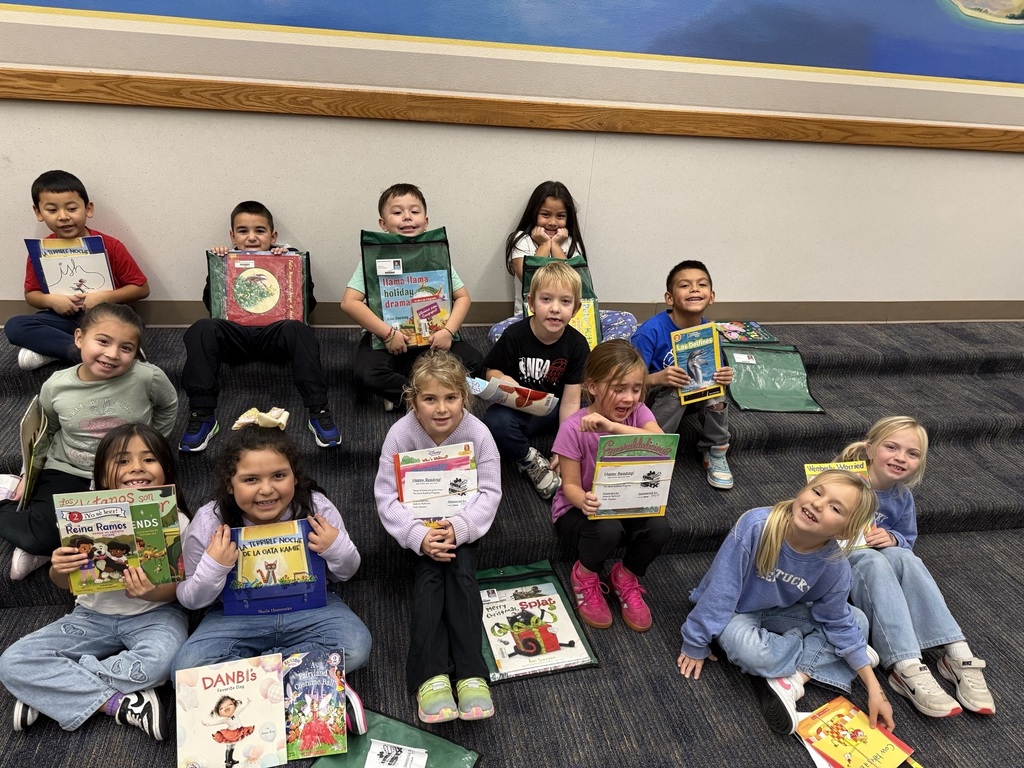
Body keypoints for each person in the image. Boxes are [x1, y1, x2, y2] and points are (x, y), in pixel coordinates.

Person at [0, 423, 190, 740]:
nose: (137, 469)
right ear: (102, 475)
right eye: (122, 461)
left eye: (149, 459)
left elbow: (178, 592)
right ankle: (119, 703)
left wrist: (153, 591)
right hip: (91, 616)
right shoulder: (84, 516)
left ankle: (52, 690)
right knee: (12, 662)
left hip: (156, 615)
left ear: (166, 469)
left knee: (165, 662)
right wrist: (59, 567)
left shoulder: (177, 520)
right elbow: (66, 582)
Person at [676, 470, 894, 736]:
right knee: (754, 652)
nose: (817, 504)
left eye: (834, 508)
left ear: (845, 531)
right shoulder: (757, 525)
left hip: (779, 613)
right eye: (817, 492)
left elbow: (838, 620)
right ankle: (833, 656)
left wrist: (874, 688)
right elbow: (721, 591)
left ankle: (793, 681)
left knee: (857, 620)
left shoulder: (835, 565)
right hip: (735, 610)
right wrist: (695, 641)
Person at [170, 425, 371, 701]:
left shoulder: (317, 508)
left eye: (279, 476)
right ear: (230, 484)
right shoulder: (209, 520)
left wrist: (335, 547)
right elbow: (189, 599)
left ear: (295, 477)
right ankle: (301, 675)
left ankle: (253, 678)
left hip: (311, 610)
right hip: (234, 617)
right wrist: (214, 566)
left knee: (357, 646)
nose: (267, 490)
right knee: (185, 668)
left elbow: (347, 573)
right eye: (251, 480)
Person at [0, 303, 177, 579]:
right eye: (103, 341)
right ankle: (26, 521)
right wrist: (27, 475)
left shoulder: (147, 376)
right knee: (39, 537)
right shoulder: (56, 385)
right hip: (68, 469)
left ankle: (50, 539)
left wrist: (153, 445)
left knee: (138, 537)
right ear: (80, 338)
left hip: (126, 473)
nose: (112, 354)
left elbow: (169, 404)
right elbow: (45, 431)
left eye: (126, 348)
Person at [836, 416, 995, 717]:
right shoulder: (842, 480)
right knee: (870, 559)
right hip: (839, 564)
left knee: (905, 558)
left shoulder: (901, 496)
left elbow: (908, 539)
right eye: (892, 447)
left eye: (912, 453)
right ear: (870, 450)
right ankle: (905, 665)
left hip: (879, 565)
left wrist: (892, 538)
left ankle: (956, 654)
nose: (900, 458)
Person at [374, 351, 501, 723]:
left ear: (465, 397)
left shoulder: (478, 433)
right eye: (429, 399)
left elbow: (490, 492)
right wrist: (418, 535)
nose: (441, 409)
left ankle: (471, 672)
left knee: (461, 575)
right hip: (419, 528)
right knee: (430, 577)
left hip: (462, 526)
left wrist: (459, 528)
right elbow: (386, 496)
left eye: (451, 397)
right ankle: (429, 676)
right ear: (413, 400)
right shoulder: (400, 434)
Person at [178, 200, 340, 453]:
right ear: (232, 236)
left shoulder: (289, 257)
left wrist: (288, 263)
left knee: (298, 329)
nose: (251, 237)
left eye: (260, 231)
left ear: (273, 236)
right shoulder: (225, 260)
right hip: (236, 337)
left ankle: (318, 410)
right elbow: (213, 306)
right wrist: (219, 266)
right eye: (243, 231)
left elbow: (308, 305)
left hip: (274, 336)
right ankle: (202, 415)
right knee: (202, 328)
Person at [550, 340, 669, 632]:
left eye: (636, 388)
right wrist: (583, 501)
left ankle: (625, 576)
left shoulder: (639, 412)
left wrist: (611, 427)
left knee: (660, 527)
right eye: (618, 388)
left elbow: (659, 442)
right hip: (577, 509)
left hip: (626, 502)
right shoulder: (572, 428)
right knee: (607, 528)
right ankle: (585, 575)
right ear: (592, 386)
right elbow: (570, 486)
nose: (629, 398)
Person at [340, 183, 484, 411]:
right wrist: (387, 334)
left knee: (476, 362)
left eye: (414, 212)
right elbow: (349, 302)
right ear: (383, 224)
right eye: (397, 212)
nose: (407, 217)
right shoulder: (374, 258)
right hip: (388, 339)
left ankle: (403, 394)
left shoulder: (435, 255)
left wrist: (448, 332)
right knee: (366, 374)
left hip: (433, 338)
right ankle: (428, 394)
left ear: (426, 221)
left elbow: (463, 297)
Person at [5, 170, 150, 371]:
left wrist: (104, 297)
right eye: (52, 210)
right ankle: (83, 353)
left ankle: (55, 351)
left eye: (72, 208)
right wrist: (51, 301)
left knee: (132, 324)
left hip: (106, 317)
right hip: (64, 319)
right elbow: (31, 294)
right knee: (15, 326)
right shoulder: (40, 250)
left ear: (88, 208)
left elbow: (141, 288)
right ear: (38, 213)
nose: (63, 217)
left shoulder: (111, 245)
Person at [480, 261, 589, 499]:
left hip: (557, 409)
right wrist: (504, 379)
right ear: (531, 303)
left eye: (565, 301)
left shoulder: (578, 345)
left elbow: (571, 402)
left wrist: (564, 447)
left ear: (576, 308)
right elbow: (490, 371)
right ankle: (529, 459)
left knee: (592, 416)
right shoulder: (514, 335)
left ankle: (574, 461)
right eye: (546, 299)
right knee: (493, 422)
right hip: (522, 410)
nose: (555, 309)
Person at [488, 181, 637, 345]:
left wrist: (557, 246)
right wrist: (545, 245)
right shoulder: (522, 241)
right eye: (545, 214)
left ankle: (596, 359)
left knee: (627, 319)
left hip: (572, 316)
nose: (552, 222)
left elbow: (574, 282)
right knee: (498, 332)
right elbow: (529, 279)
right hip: (531, 317)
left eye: (560, 216)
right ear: (534, 213)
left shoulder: (572, 243)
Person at [631, 260, 735, 489]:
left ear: (712, 296)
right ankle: (654, 448)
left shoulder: (709, 332)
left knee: (715, 391)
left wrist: (724, 376)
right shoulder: (649, 332)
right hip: (652, 397)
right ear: (669, 298)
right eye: (685, 285)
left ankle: (715, 451)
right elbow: (627, 382)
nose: (695, 289)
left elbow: (714, 370)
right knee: (678, 386)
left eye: (701, 285)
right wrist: (658, 378)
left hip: (694, 395)